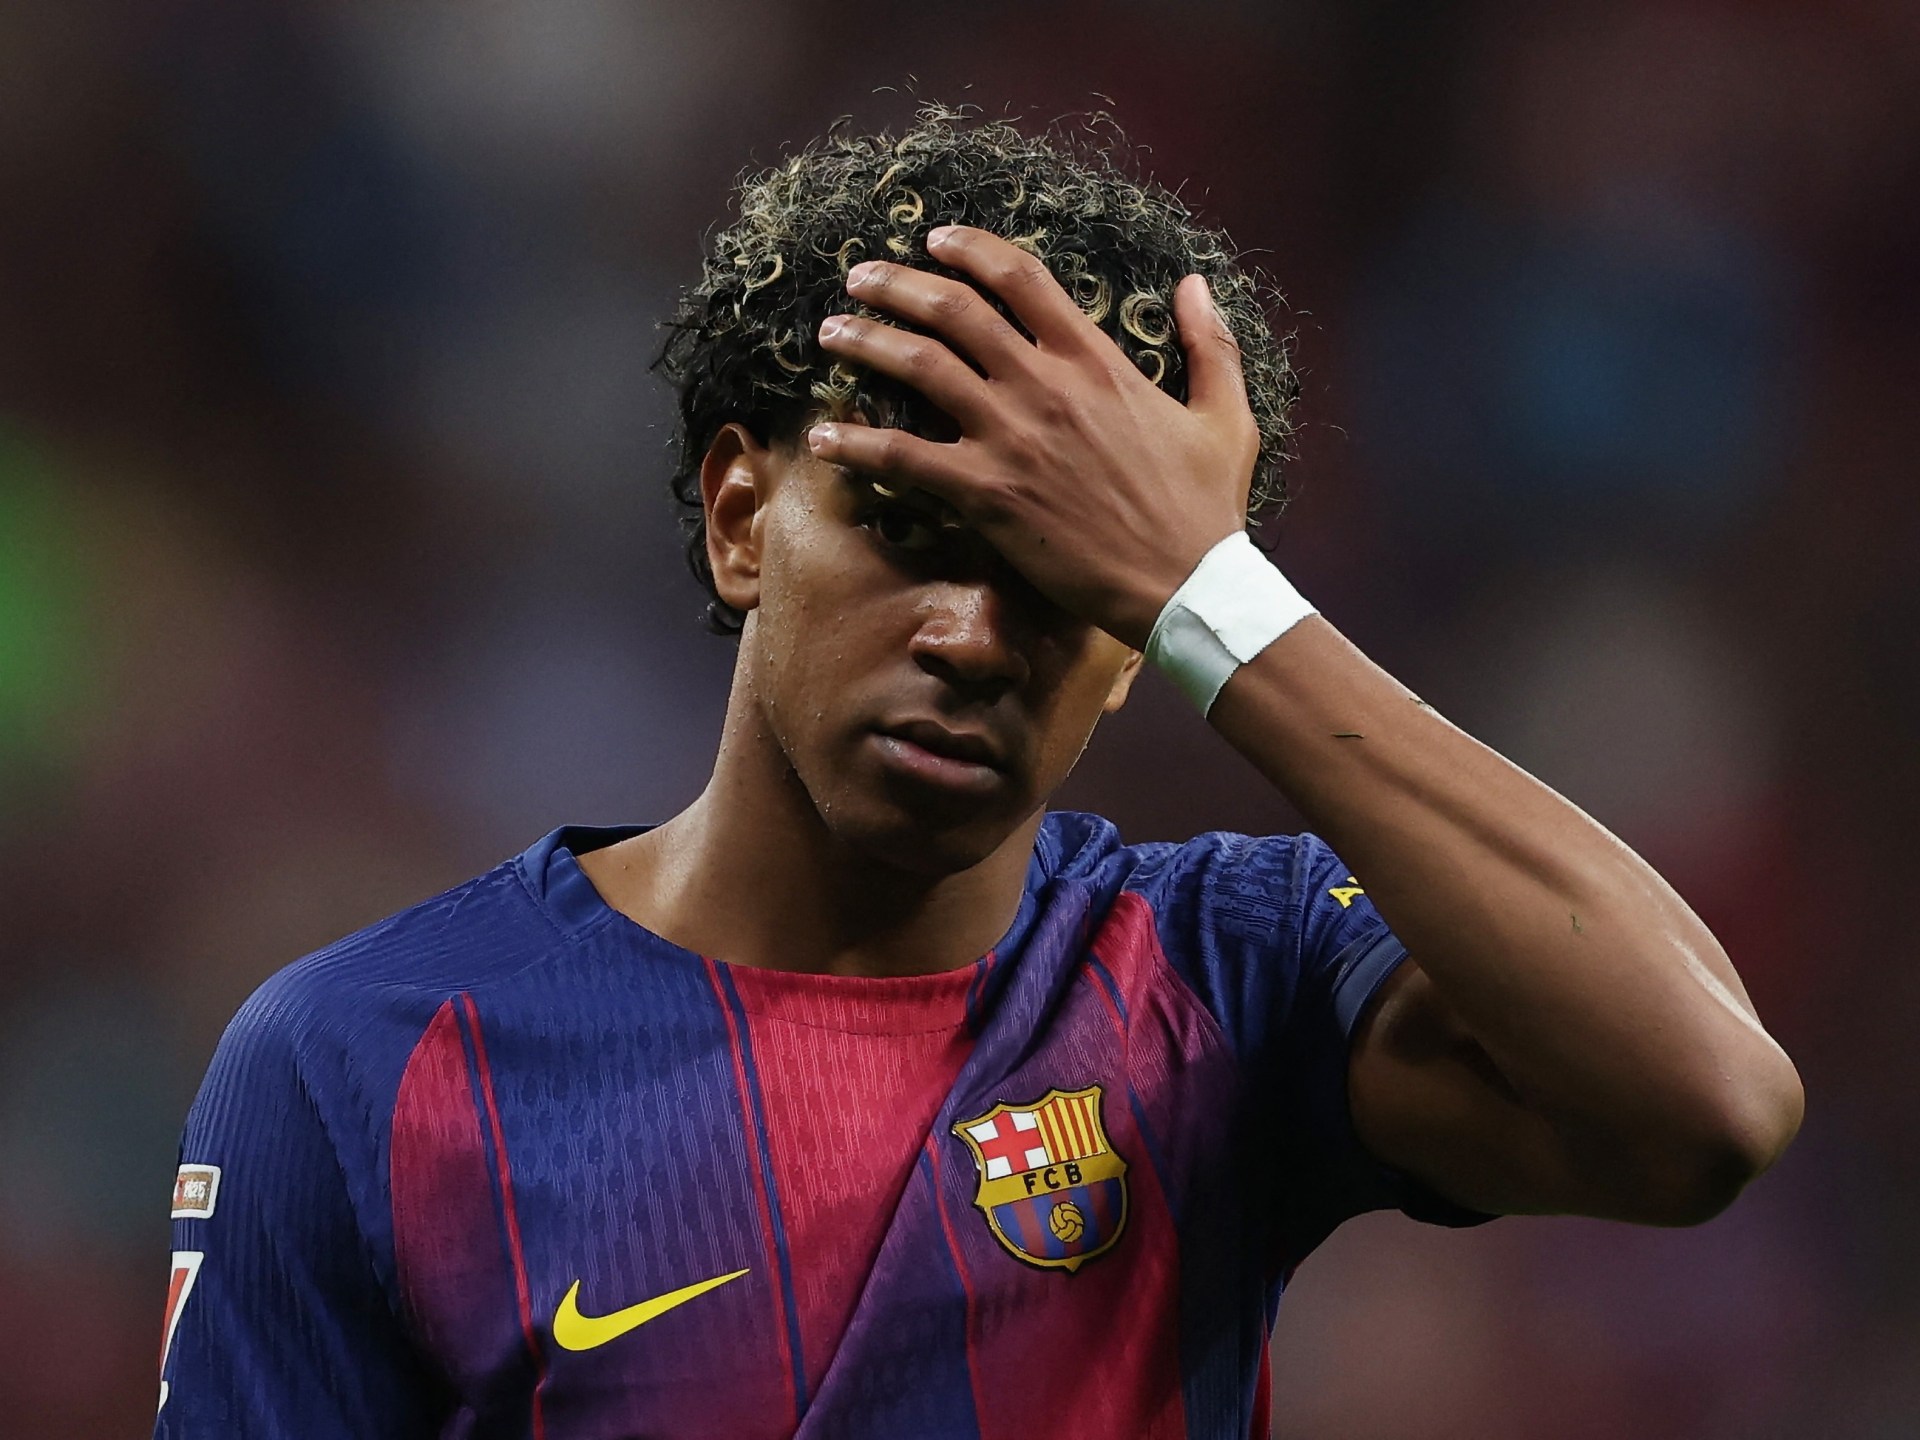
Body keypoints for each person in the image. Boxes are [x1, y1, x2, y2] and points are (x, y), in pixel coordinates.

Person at [155, 107, 1803, 1439]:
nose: (966, 633)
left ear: (1140, 634)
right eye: (905, 528)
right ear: (740, 520)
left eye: (1062, 576)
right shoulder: (360, 1061)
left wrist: (1215, 594)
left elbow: (1708, 1105)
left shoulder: (1225, 980)